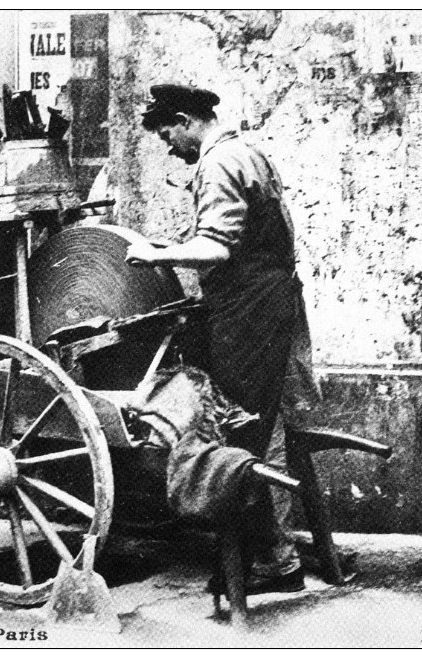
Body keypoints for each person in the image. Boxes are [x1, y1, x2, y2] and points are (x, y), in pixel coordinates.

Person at [126, 84, 321, 594]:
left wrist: (155, 257)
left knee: (246, 432)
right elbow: (246, 237)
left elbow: (217, 249)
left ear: (188, 121)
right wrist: (173, 246)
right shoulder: (248, 152)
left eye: (169, 132)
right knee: (266, 428)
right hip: (269, 305)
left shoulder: (216, 164)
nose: (170, 146)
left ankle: (273, 564)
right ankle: (278, 552)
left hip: (249, 314)